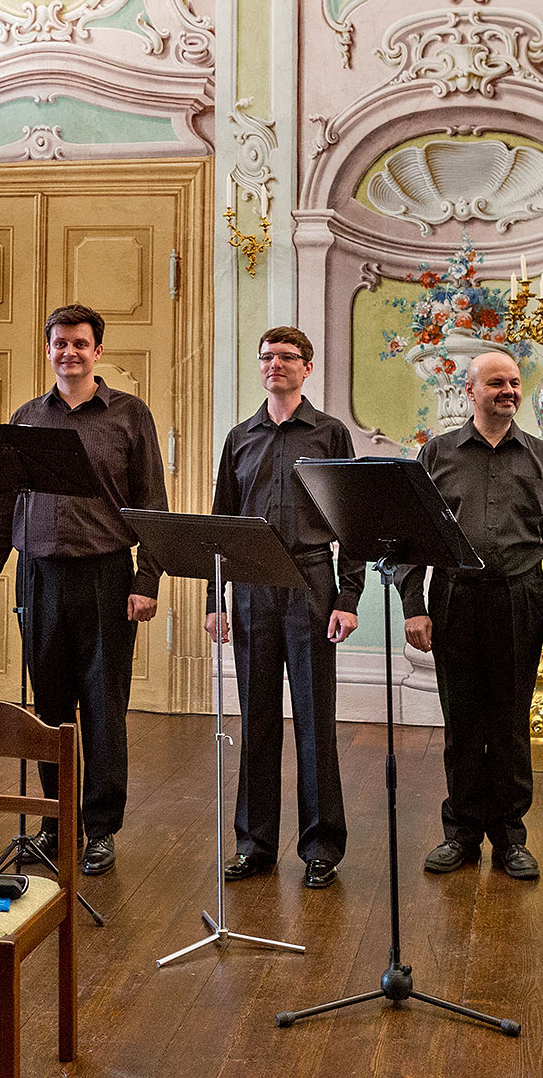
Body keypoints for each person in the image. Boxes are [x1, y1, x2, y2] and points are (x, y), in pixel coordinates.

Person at [0, 304, 168, 876]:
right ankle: (57, 820)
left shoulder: (130, 415)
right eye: (59, 343)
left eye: (80, 343)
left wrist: (147, 578)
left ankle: (101, 827)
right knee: (51, 711)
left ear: (98, 351)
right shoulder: (28, 417)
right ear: (49, 348)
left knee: (104, 708)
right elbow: (1, 505)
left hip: (107, 574)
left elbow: (152, 501)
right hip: (38, 577)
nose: (69, 352)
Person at [398, 352, 543, 881]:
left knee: (509, 721)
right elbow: (413, 535)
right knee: (462, 721)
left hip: (520, 600)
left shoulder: (542, 456)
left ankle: (509, 836)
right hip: (454, 599)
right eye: (496, 382)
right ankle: (460, 833)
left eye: (515, 383)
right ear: (470, 390)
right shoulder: (437, 454)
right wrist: (414, 607)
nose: (508, 391)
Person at [204, 327, 364, 888]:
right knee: (258, 719)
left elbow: (354, 521)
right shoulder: (239, 437)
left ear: (308, 367)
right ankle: (255, 843)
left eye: (286, 357)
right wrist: (213, 600)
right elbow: (221, 522)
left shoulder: (329, 433)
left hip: (311, 582)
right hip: (250, 587)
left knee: (315, 719)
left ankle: (321, 844)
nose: (275, 364)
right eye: (267, 356)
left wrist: (347, 598)